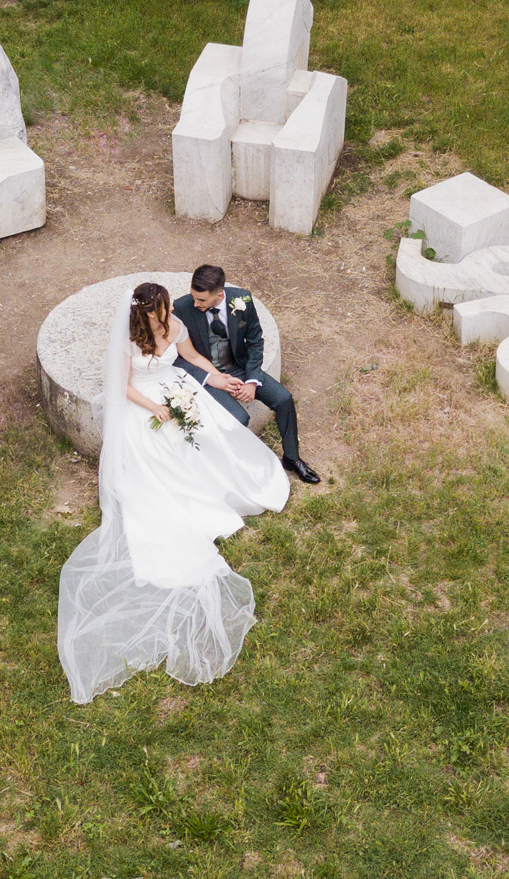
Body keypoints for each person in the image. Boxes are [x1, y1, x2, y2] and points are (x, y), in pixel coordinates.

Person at [57, 282, 290, 703]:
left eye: (166, 308)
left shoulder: (174, 323)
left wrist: (216, 378)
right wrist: (156, 408)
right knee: (161, 453)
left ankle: (221, 484)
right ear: (142, 314)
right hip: (145, 402)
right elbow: (122, 386)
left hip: (178, 388)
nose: (166, 316)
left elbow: (191, 357)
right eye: (159, 311)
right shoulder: (129, 340)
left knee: (211, 438)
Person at [171, 265, 321, 484]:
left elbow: (255, 341)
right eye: (194, 297)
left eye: (201, 300)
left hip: (239, 367)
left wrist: (251, 381)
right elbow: (177, 357)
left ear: (220, 295)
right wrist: (210, 378)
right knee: (239, 419)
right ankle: (235, 472)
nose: (196, 303)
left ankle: (291, 457)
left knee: (283, 399)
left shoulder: (242, 300)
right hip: (208, 375)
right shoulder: (182, 308)